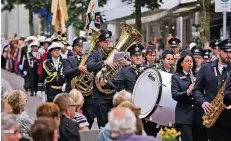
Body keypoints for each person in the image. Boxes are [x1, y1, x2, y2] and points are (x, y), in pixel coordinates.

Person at [193, 38, 231, 141]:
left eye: (230, 52)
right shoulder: (206, 68)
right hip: (213, 116)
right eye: (226, 51)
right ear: (219, 51)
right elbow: (197, 90)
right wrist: (203, 102)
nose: (228, 55)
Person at [87, 29, 114, 128]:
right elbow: (89, 66)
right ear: (101, 43)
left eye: (110, 42)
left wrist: (126, 62)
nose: (108, 44)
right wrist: (104, 62)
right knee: (103, 126)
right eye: (106, 42)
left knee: (115, 126)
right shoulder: (95, 53)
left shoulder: (115, 52)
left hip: (113, 94)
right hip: (100, 96)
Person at [171, 50, 197, 141]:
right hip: (184, 116)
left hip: (197, 115)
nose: (189, 63)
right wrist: (188, 91)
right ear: (182, 63)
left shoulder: (197, 76)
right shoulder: (176, 77)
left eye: (191, 61)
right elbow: (175, 95)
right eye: (187, 61)